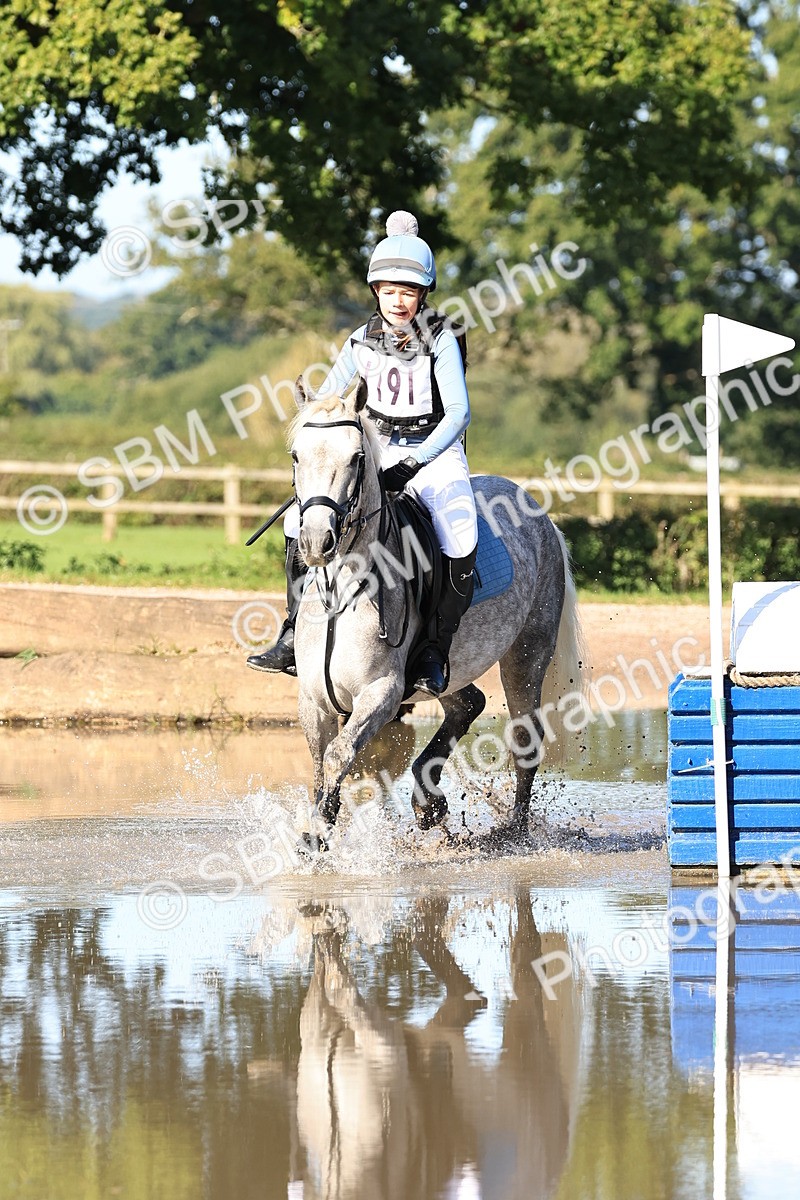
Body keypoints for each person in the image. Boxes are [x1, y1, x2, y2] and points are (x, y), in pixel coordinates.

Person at [247, 211, 478, 698]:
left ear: (423, 294)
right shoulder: (360, 340)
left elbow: (458, 413)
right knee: (297, 524)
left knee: (458, 536)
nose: (398, 300)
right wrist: (316, 425)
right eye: (389, 290)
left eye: (408, 291)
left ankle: (435, 647)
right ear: (376, 291)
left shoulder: (440, 338)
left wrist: (414, 463)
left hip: (434, 450)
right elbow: (328, 397)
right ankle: (292, 632)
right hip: (374, 448)